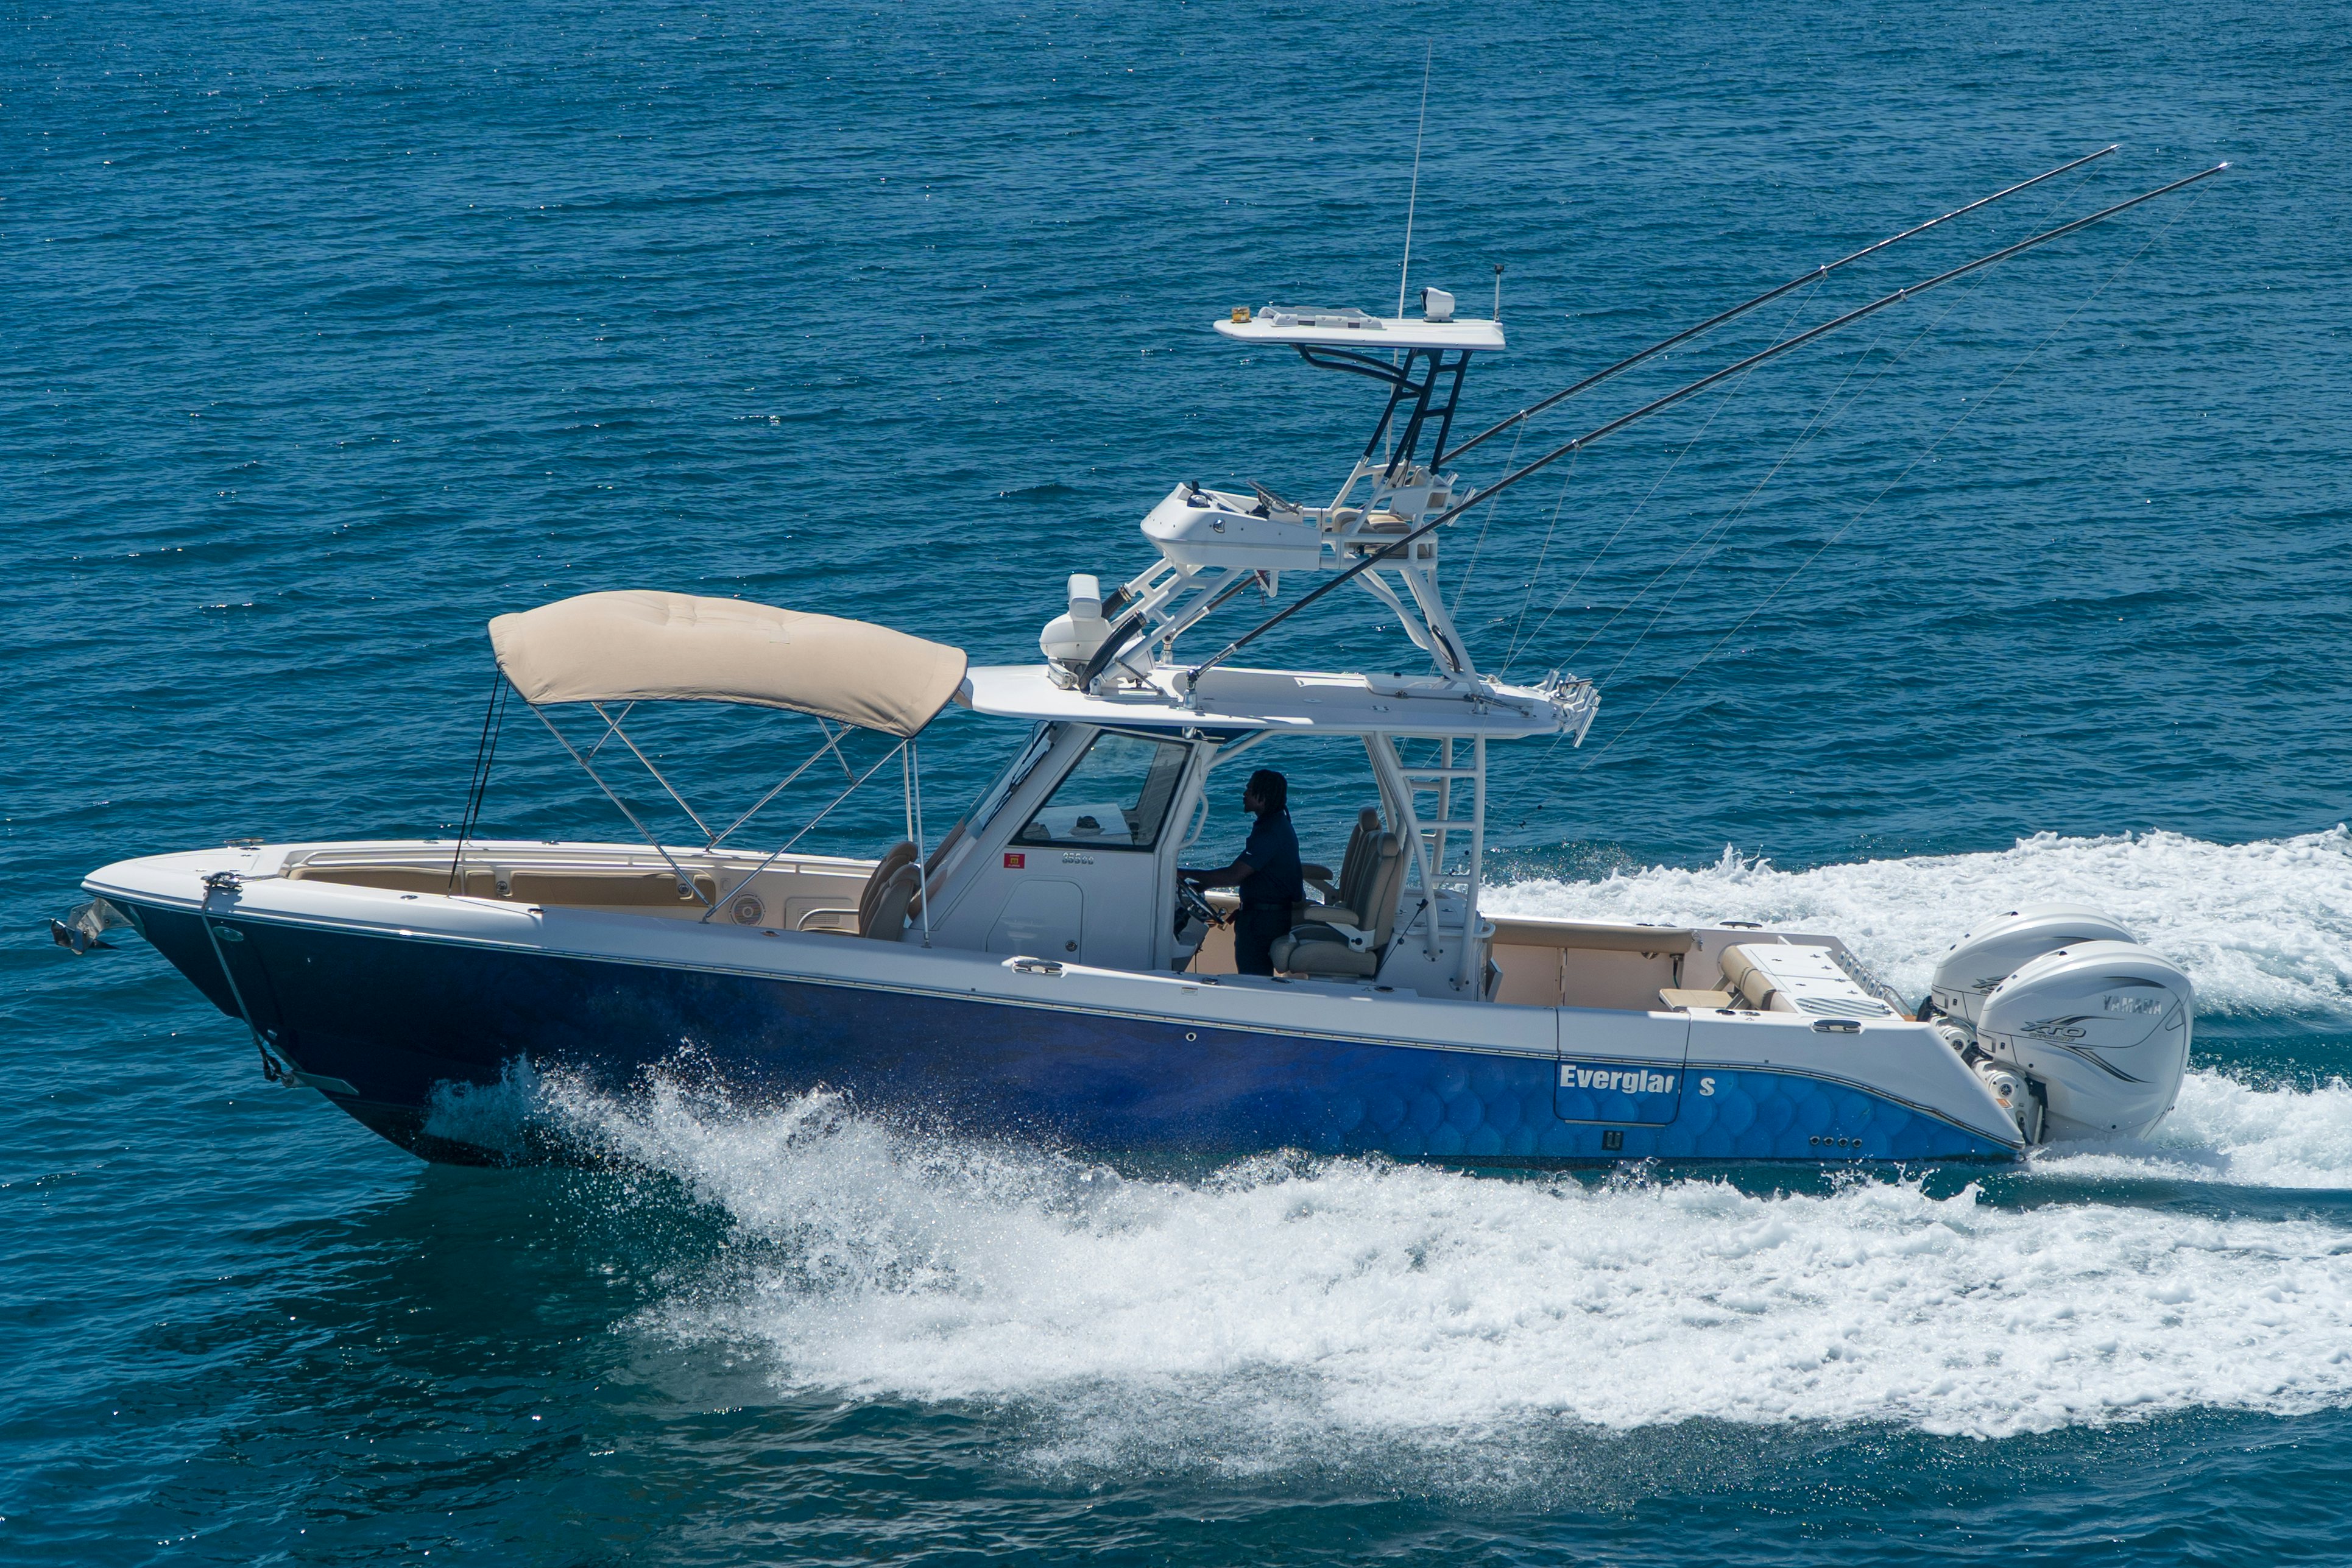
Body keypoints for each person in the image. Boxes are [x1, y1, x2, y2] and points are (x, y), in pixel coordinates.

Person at [1181, 768, 1302, 977]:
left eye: (1249, 790)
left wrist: (1183, 873)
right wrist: (1205, 885)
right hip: (1266, 915)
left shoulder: (1271, 833)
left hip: (1264, 921)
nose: (1244, 794)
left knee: (1252, 980)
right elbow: (1251, 873)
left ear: (1263, 797)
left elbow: (1234, 875)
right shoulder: (1275, 824)